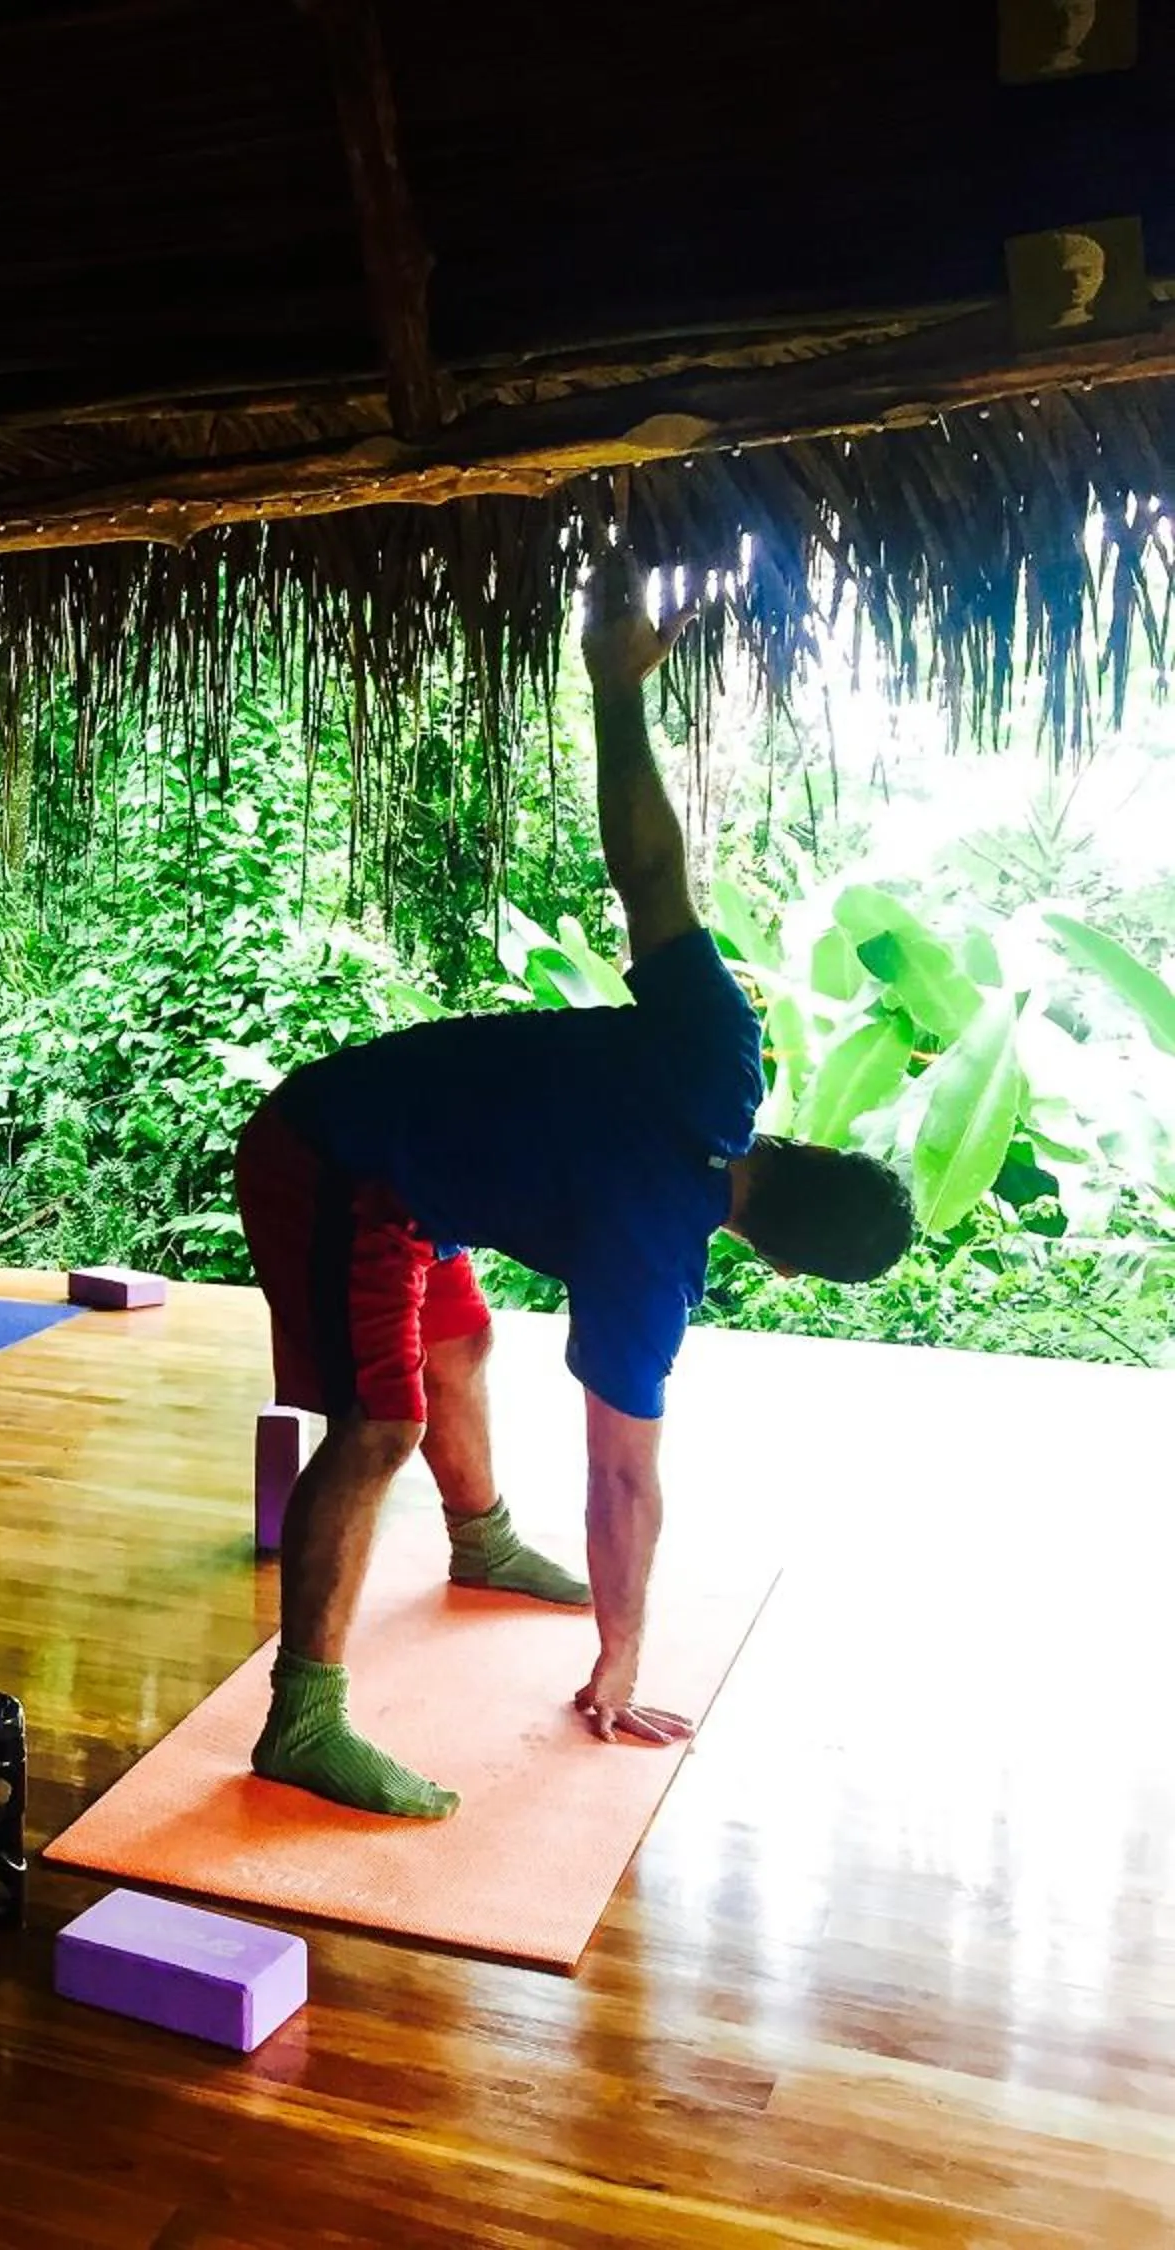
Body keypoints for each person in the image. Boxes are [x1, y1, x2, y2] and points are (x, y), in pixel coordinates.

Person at [231, 558, 914, 1819]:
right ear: (781, 1262)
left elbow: (652, 879)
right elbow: (625, 1483)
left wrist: (614, 693)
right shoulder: (652, 1272)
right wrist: (622, 1658)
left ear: (810, 1144)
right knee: (377, 1427)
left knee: (463, 1337)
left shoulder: (722, 1056)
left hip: (405, 1160)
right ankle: (301, 1720)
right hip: (331, 1156)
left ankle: (481, 1541)